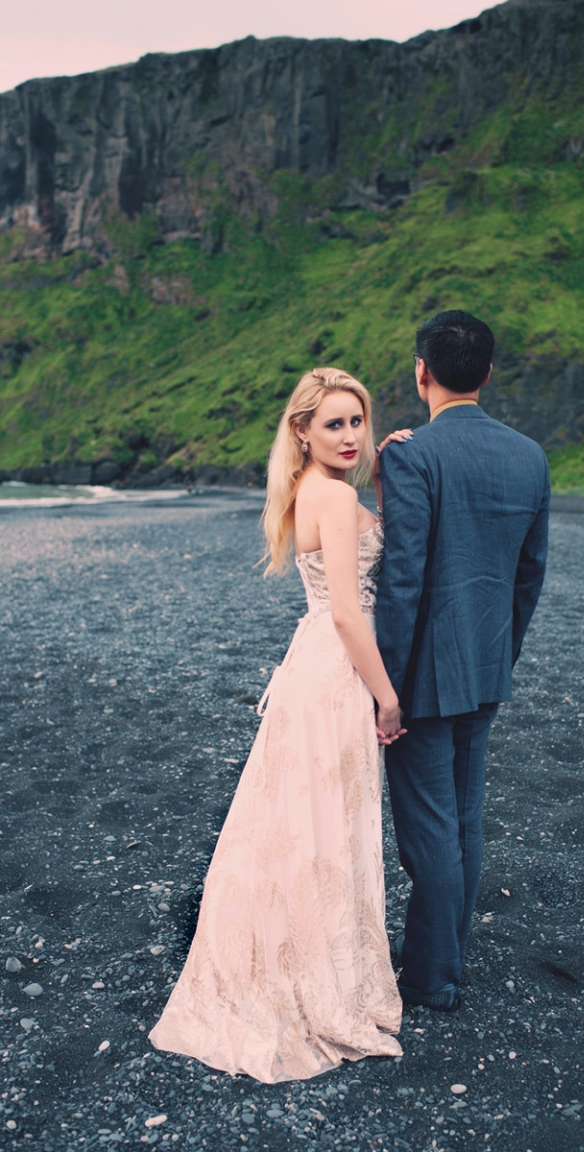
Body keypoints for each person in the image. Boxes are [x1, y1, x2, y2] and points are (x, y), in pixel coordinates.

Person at [149, 367, 410, 1081]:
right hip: (335, 669)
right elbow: (349, 612)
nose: (350, 435)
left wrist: (387, 468)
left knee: (302, 820)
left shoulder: (314, 488)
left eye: (357, 421)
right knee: (324, 824)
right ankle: (311, 979)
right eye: (334, 424)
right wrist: (387, 697)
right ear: (302, 430)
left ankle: (301, 958)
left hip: (314, 663)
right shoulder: (327, 493)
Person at [377, 310, 550, 1012]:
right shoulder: (530, 456)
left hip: (420, 673)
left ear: (422, 371)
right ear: (487, 373)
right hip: (486, 664)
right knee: (464, 820)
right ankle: (443, 959)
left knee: (428, 832)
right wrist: (500, 653)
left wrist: (381, 682)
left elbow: (402, 580)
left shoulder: (412, 453)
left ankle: (432, 978)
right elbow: (529, 575)